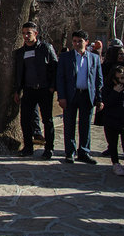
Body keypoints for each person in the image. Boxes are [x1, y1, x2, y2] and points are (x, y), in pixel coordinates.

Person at [57, 30, 103, 165]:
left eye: (80, 41)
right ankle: (69, 152)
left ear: (86, 42)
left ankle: (84, 151)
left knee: (85, 125)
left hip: (87, 95)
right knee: (69, 124)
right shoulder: (66, 57)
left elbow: (98, 80)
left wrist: (99, 98)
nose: (77, 44)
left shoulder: (94, 58)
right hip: (71, 95)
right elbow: (60, 78)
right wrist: (61, 97)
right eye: (75, 41)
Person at [13, 21, 57, 159]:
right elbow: (19, 73)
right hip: (28, 90)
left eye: (29, 33)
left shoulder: (46, 48)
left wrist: (52, 87)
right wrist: (17, 90)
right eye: (24, 33)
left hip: (44, 90)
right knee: (25, 120)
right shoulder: (20, 53)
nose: (26, 36)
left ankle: (49, 148)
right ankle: (28, 147)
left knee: (47, 120)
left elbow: (55, 68)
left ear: (35, 34)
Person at [101, 65, 124, 175]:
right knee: (112, 143)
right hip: (111, 120)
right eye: (118, 78)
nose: (121, 81)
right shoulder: (107, 88)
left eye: (123, 78)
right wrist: (115, 93)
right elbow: (106, 103)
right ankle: (115, 163)